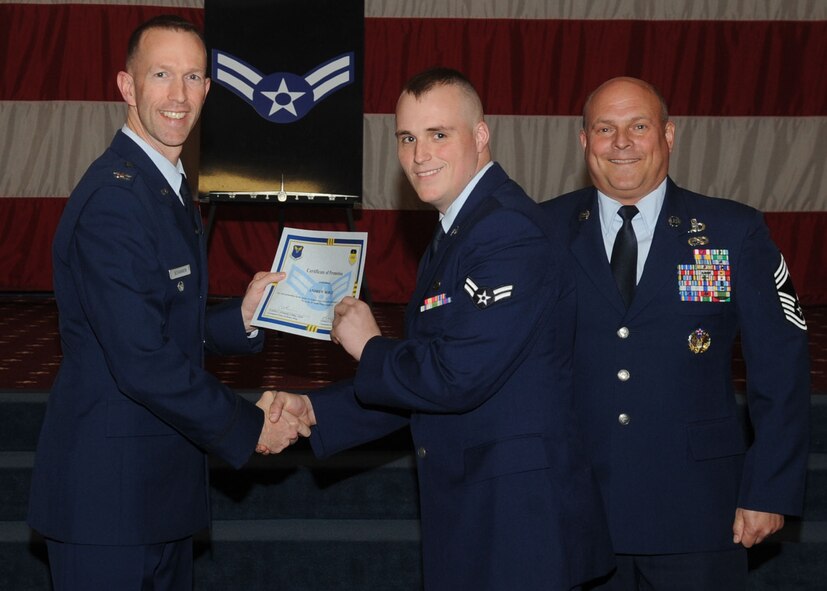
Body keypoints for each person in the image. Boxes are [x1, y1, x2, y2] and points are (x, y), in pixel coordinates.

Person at [264, 67, 614, 590]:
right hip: (480, 510)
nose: (419, 154)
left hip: (519, 523)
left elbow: (455, 376)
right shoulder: (461, 229)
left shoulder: (507, 230)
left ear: (480, 135)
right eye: (407, 138)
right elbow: (427, 376)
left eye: (438, 134)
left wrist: (369, 345)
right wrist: (317, 411)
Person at [27, 15, 308, 590]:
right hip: (108, 505)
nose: (179, 95)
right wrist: (249, 423)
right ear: (127, 87)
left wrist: (241, 317)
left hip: (157, 496)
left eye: (193, 77)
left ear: (208, 89)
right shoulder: (116, 200)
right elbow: (142, 359)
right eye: (161, 74)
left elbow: (164, 319)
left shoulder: (165, 188)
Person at [541, 77, 811, 590]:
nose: (621, 143)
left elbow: (781, 365)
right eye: (605, 128)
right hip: (576, 506)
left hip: (699, 509)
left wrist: (769, 488)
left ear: (668, 135)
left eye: (639, 127)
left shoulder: (732, 231)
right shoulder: (542, 231)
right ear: (584, 141)